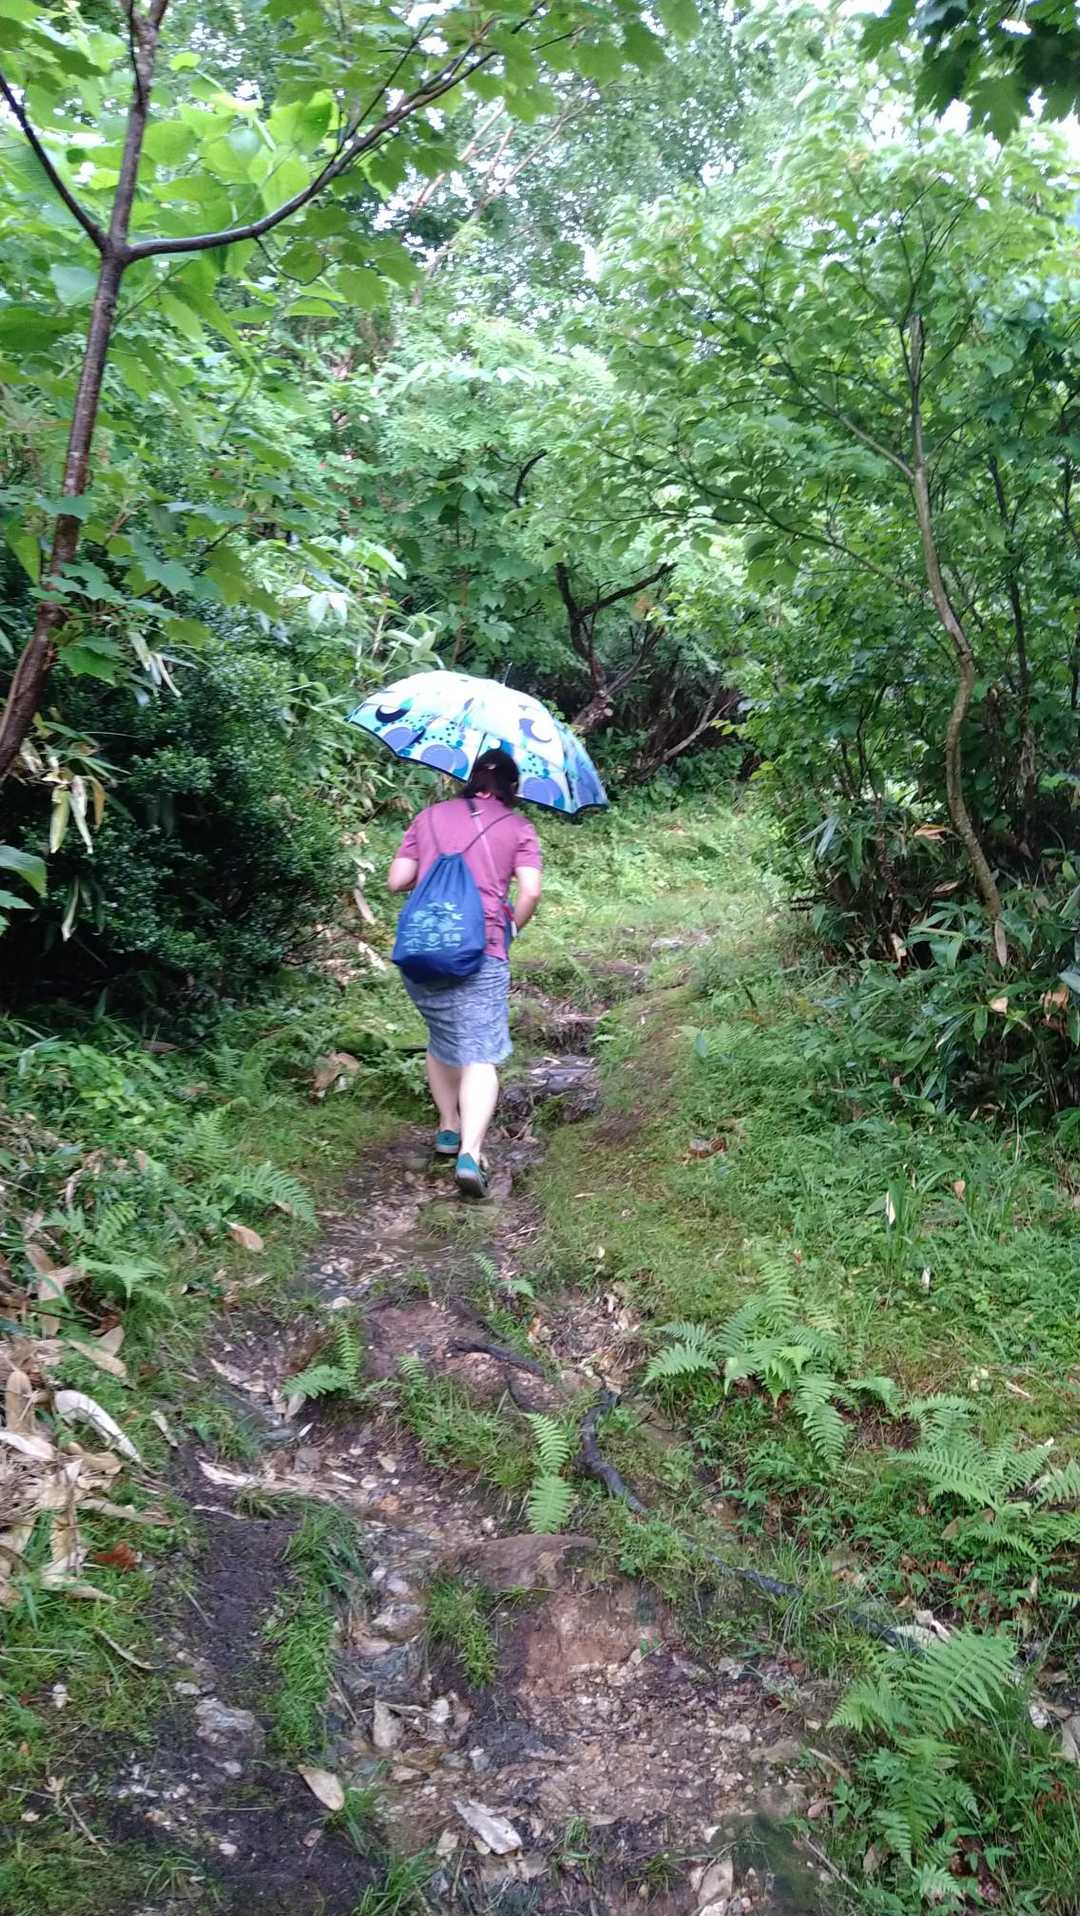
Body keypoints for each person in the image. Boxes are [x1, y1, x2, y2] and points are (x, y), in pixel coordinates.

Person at [387, 748, 543, 1198]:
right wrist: (512, 926)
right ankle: (470, 1154)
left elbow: (396, 880)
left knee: (442, 1037)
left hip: (422, 949)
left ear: (469, 778)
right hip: (481, 949)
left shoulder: (429, 816)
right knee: (480, 1053)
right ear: (512, 787)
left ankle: (448, 1126)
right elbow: (531, 891)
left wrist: (435, 867)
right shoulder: (518, 828)